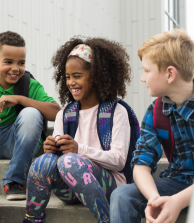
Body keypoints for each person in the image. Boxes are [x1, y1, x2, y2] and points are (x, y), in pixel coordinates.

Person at [110, 29, 194, 223]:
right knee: (122, 195)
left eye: (147, 70)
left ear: (170, 74)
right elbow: (141, 166)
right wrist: (154, 199)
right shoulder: (155, 111)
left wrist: (177, 202)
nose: (143, 78)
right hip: (176, 182)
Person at [17, 37, 132, 223]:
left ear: (95, 76)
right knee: (42, 162)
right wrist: (51, 149)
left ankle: (107, 219)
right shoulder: (64, 114)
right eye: (68, 77)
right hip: (71, 186)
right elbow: (57, 159)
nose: (71, 82)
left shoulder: (116, 111)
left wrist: (80, 150)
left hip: (108, 185)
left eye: (77, 76)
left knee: (70, 161)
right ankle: (32, 220)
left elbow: (119, 161)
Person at [0, 31, 60, 200]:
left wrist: (19, 99)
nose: (15, 68)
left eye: (21, 63)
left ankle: (14, 181)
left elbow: (57, 113)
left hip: (17, 142)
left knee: (31, 113)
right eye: (8, 62)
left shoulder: (30, 85)